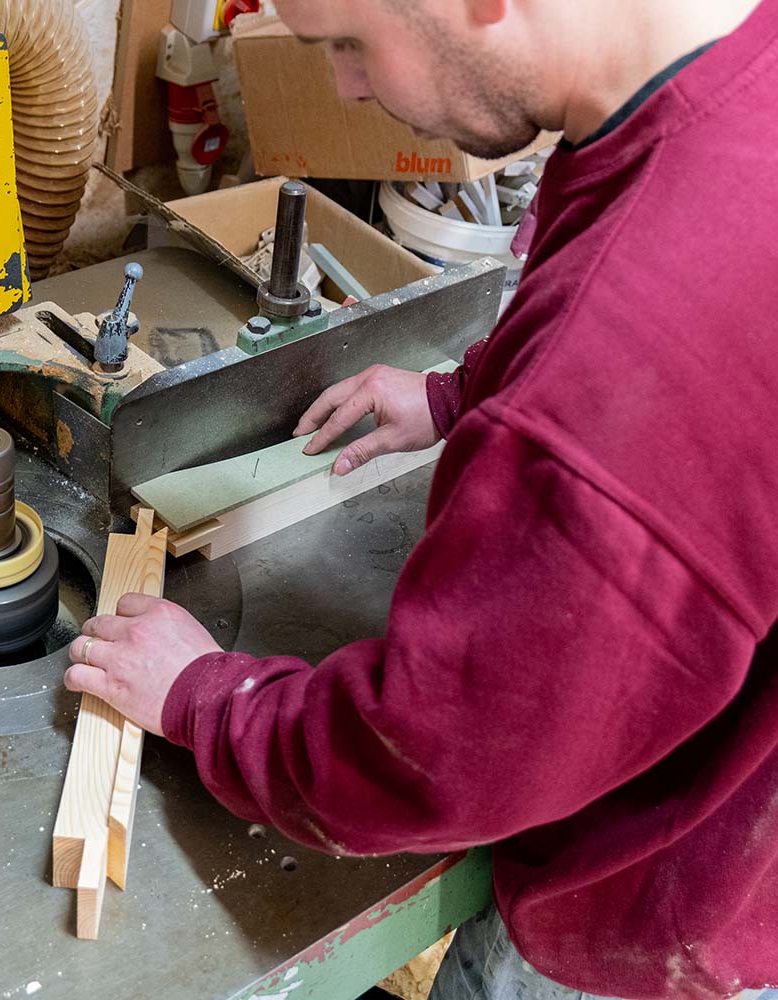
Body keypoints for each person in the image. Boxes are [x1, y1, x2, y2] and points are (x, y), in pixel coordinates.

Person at [65, 1, 778, 996]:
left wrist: (209, 699)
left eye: (347, 46)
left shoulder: (621, 354)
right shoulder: (733, 75)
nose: (352, 89)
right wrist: (467, 391)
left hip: (648, 922)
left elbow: (439, 756)